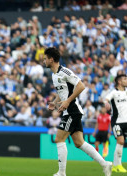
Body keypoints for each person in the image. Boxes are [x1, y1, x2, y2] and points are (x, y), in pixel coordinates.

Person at [44, 47, 112, 176]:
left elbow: (81, 86)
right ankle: (105, 164)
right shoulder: (54, 75)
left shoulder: (64, 71)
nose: (44, 61)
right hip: (69, 110)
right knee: (79, 143)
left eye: (45, 59)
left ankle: (61, 173)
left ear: (51, 59)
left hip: (72, 110)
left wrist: (67, 101)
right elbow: (62, 92)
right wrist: (55, 101)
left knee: (59, 139)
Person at [104, 74, 127, 173]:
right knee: (121, 141)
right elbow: (106, 99)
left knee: (121, 143)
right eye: (125, 79)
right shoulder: (114, 92)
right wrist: (107, 103)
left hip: (126, 121)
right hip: (117, 122)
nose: (126, 81)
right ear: (119, 81)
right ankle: (118, 165)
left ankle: (115, 165)